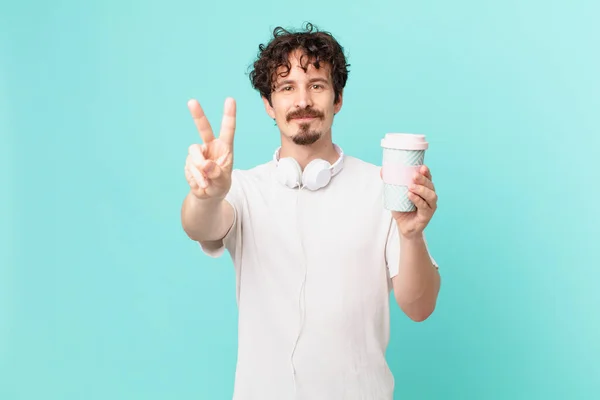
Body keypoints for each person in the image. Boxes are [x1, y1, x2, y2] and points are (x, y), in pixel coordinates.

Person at [181, 22, 441, 400]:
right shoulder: (242, 190)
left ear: (337, 99)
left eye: (316, 85)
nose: (302, 100)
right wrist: (207, 195)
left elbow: (420, 308)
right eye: (287, 88)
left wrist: (411, 234)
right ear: (269, 104)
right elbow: (199, 226)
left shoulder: (383, 189)